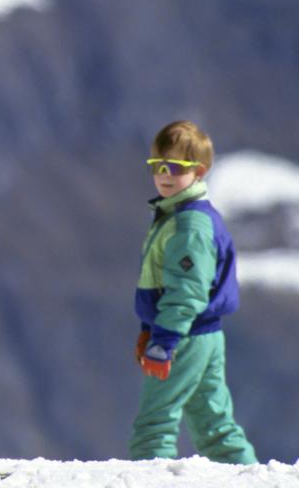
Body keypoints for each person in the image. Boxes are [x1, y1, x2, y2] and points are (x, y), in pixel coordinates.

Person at [130, 120, 256, 463]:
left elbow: (187, 292)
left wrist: (164, 340)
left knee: (154, 424)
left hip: (184, 336)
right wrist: (149, 330)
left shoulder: (189, 225)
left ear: (199, 171)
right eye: (157, 166)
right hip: (203, 334)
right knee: (214, 425)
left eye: (174, 167)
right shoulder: (175, 215)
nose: (163, 175)